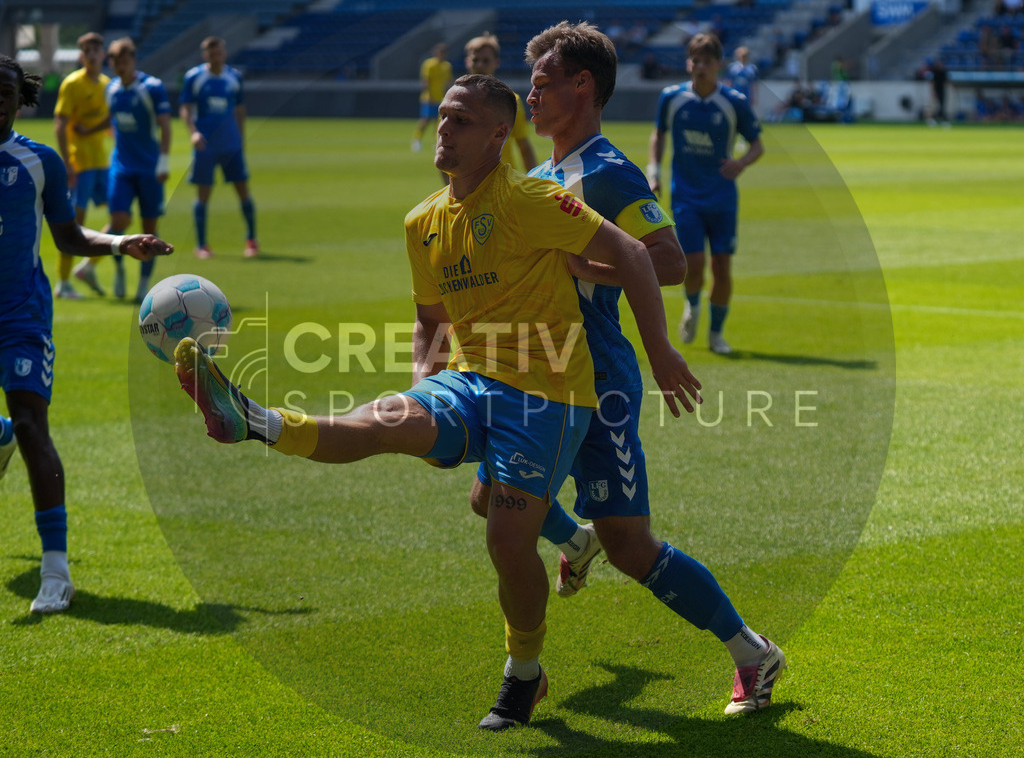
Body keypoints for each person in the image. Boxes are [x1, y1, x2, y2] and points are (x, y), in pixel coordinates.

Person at [171, 74, 701, 731]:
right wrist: (424, 381)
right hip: (470, 379)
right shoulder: (422, 221)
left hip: (548, 394)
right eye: (443, 118)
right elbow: (431, 319)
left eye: (461, 122)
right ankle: (252, 419)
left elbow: (636, 253)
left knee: (508, 539)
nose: (444, 130)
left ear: (497, 138)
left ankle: (524, 674)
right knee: (383, 419)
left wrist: (661, 351)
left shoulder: (532, 197)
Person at [468, 20, 785, 718]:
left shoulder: (607, 171)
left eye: (544, 83)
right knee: (491, 497)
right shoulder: (544, 175)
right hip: (540, 372)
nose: (533, 94)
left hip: (597, 378)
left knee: (631, 545)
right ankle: (573, 548)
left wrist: (581, 266)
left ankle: (753, 653)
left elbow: (666, 257)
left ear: (584, 86)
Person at [0, 55, 173, 614]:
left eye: (5, 91)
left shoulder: (38, 161)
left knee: (32, 424)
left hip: (21, 315)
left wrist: (122, 243)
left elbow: (69, 236)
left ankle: (56, 568)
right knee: (13, 427)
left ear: (19, 98)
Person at [648, 32, 764, 355]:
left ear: (719, 65)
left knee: (723, 268)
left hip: (722, 198)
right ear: (688, 63)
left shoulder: (733, 103)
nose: (700, 67)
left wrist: (741, 163)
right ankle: (693, 306)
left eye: (707, 61)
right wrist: (653, 171)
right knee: (694, 264)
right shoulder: (672, 98)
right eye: (695, 60)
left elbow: (757, 145)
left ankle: (716, 334)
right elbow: (658, 133)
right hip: (686, 196)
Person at [104, 37, 172, 303]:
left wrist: (164, 161)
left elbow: (165, 125)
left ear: (133, 60)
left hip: (149, 168)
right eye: (116, 62)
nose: (121, 66)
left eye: (125, 60)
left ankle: (144, 284)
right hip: (121, 166)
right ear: (112, 63)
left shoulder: (152, 87)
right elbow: (113, 123)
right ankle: (119, 270)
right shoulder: (110, 89)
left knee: (149, 228)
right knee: (118, 221)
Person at [180, 36, 258, 259]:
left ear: (224, 53)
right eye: (211, 54)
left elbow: (240, 109)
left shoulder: (234, 77)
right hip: (205, 144)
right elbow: (185, 108)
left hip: (230, 143)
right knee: (203, 193)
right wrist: (193, 132)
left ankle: (251, 240)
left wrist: (241, 139)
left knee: (243, 190)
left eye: (219, 53)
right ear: (206, 56)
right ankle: (202, 244)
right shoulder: (194, 77)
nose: (216, 58)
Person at [52, 32, 111, 299]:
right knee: (75, 224)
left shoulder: (108, 84)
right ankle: (63, 283)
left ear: (104, 54)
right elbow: (60, 124)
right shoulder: (72, 84)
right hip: (81, 163)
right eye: (87, 50)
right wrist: (67, 162)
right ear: (81, 56)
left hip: (103, 162)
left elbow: (111, 122)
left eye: (96, 49)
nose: (92, 54)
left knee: (120, 217)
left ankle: (87, 267)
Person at [463, 33, 537, 172]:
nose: (480, 65)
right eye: (475, 59)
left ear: (496, 63)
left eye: (485, 60)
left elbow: (523, 146)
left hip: (504, 185)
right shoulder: (454, 103)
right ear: (467, 61)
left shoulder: (510, 101)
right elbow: (444, 149)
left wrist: (534, 183)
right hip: (470, 187)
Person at [411, 42, 452, 154]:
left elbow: (448, 82)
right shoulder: (429, 64)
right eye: (440, 52)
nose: (442, 54)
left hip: (442, 98)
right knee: (426, 119)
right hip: (429, 98)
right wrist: (429, 95)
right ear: (435, 52)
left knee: (439, 122)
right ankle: (417, 140)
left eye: (444, 52)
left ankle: (437, 142)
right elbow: (426, 81)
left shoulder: (447, 66)